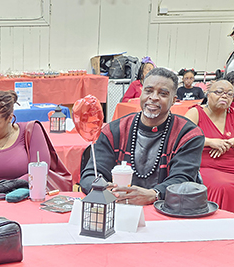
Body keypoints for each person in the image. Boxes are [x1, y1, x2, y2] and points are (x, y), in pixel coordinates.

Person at [80, 67, 204, 205]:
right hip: (117, 206)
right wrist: (103, 189)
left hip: (167, 209)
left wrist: (155, 194)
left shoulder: (188, 134)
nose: (154, 97)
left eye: (163, 94)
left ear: (174, 100)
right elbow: (91, 174)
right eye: (148, 91)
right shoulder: (113, 130)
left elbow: (182, 180)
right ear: (141, 93)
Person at [184, 79, 234, 220]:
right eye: (219, 92)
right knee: (222, 185)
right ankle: (221, 222)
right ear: (208, 94)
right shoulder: (196, 112)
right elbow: (183, 137)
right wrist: (210, 142)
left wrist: (232, 142)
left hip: (233, 165)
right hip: (205, 165)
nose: (224, 96)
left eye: (229, 94)